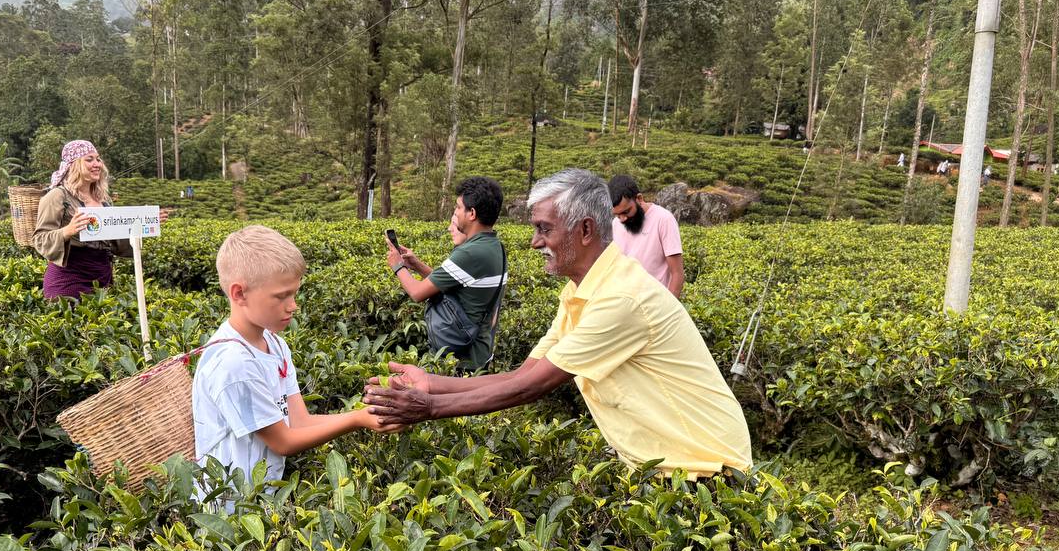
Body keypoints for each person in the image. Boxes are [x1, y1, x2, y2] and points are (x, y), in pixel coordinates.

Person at [364, 169, 752, 479]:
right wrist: (431, 383)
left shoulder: (621, 298)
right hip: (666, 467)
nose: (535, 242)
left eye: (544, 229)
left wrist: (426, 406)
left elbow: (530, 388)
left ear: (585, 230)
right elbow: (525, 373)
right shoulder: (580, 292)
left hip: (708, 469)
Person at [192, 225, 397, 490]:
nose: (293, 305)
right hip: (229, 510)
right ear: (239, 294)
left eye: (294, 293)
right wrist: (356, 419)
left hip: (264, 498)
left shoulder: (275, 345)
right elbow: (284, 441)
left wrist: (367, 414)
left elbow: (300, 422)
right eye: (281, 296)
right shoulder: (232, 362)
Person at [386, 176, 507, 371]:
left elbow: (417, 292)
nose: (456, 213)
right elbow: (452, 285)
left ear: (472, 213)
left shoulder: (470, 252)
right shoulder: (494, 246)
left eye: (458, 207)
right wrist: (416, 264)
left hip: (461, 359)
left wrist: (397, 266)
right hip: (480, 350)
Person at [32, 140, 133, 300]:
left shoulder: (104, 200)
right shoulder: (57, 196)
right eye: (89, 159)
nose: (97, 164)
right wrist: (67, 231)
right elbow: (39, 239)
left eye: (98, 159)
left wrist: (144, 224)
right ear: (74, 165)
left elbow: (115, 241)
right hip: (68, 278)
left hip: (101, 277)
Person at [608, 174, 684, 297]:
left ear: (639, 198)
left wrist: (668, 309)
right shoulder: (616, 224)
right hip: (627, 303)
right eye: (617, 215)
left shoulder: (663, 219)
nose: (622, 219)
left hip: (657, 303)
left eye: (626, 211)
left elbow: (677, 274)